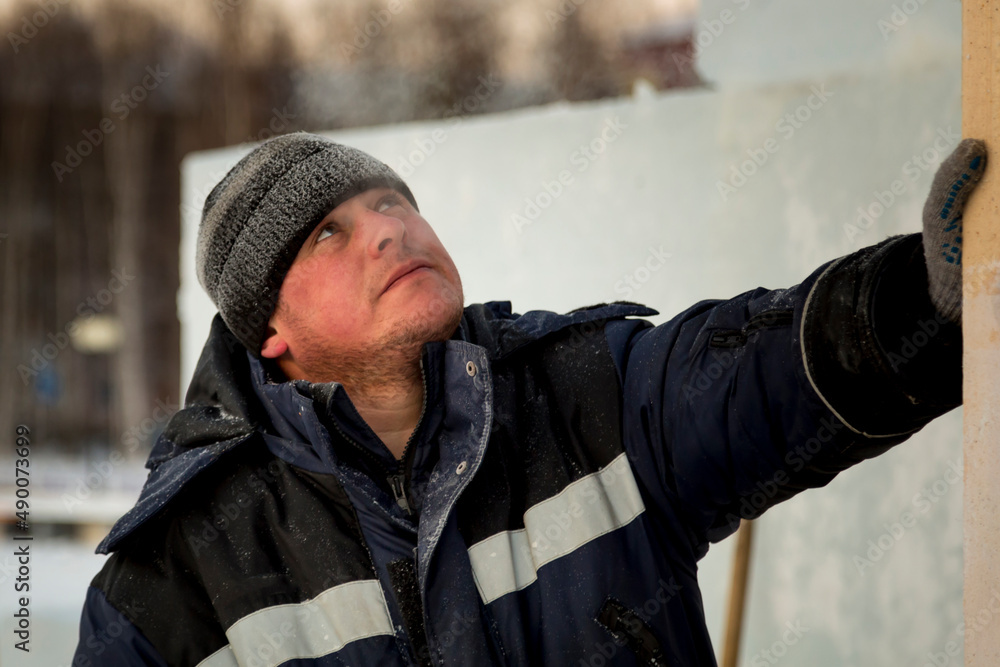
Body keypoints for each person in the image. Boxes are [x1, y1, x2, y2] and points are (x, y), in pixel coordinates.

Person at [72, 131, 984, 666]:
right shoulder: (181, 571)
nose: (388, 228)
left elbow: (756, 372)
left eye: (395, 201)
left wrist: (926, 304)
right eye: (329, 234)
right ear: (270, 330)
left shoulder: (589, 395)